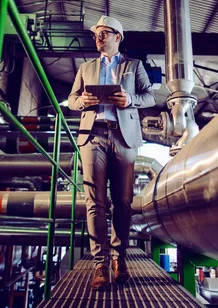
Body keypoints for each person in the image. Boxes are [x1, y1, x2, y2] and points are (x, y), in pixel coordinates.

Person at [68, 15, 156, 290]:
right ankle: (100, 264)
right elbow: (71, 100)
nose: (98, 37)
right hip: (93, 135)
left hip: (123, 136)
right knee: (95, 201)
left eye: (104, 33)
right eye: (97, 33)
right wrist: (82, 100)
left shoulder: (134, 66)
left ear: (117, 37)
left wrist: (130, 99)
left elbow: (150, 96)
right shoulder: (85, 67)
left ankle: (119, 259)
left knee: (123, 201)